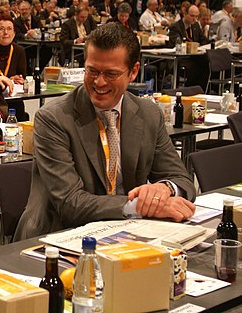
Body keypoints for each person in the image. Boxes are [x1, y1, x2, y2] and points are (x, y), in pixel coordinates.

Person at [14, 23, 196, 240]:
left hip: (128, 234)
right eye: (92, 71)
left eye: (111, 74)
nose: (99, 82)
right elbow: (71, 204)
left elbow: (182, 180)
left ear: (133, 72)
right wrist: (141, 205)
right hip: (60, 235)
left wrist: (164, 189)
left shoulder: (148, 113)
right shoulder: (53, 118)